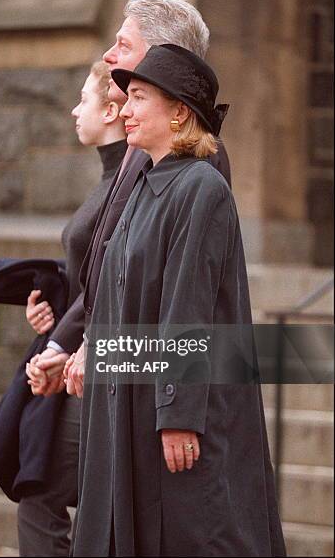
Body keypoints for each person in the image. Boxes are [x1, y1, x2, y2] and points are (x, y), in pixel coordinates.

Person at [64, 44, 287, 557]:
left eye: (138, 97)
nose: (126, 109)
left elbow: (187, 309)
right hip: (127, 402)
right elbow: (119, 294)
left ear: (180, 111)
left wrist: (178, 415)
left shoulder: (201, 188)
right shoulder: (144, 182)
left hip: (177, 415)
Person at [0, 61, 126, 557]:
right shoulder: (110, 176)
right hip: (82, 358)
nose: (75, 111)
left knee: (41, 487)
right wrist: (53, 304)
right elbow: (91, 276)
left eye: (84, 100)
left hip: (106, 366)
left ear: (112, 110)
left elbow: (114, 279)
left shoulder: (128, 180)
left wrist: (68, 342)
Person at [27, 0, 231, 395]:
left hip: (149, 392)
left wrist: (96, 350)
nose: (108, 56)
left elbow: (183, 305)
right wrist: (71, 339)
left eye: (123, 45)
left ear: (162, 58)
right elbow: (111, 268)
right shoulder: (144, 151)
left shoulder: (197, 168)